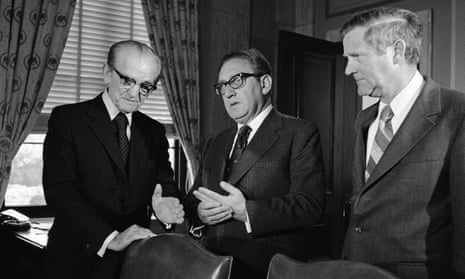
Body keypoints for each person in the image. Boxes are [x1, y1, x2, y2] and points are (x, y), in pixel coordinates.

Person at [42, 40, 184, 279]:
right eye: (128, 80)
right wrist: (110, 238)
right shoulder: (67, 120)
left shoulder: (155, 132)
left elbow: (165, 187)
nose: (135, 93)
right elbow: (60, 192)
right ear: (107, 73)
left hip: (133, 262)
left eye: (145, 86)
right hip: (74, 262)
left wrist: (165, 211)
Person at [341, 7, 465, 278]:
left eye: (356, 56)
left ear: (396, 51)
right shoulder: (364, 119)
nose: (348, 69)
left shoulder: (458, 113)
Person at [184, 48, 325, 278]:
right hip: (212, 267)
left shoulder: (299, 132)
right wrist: (200, 213)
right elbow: (193, 198)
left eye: (236, 81)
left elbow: (309, 205)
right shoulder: (217, 141)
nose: (228, 93)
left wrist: (247, 212)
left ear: (265, 83)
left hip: (267, 269)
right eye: (222, 86)